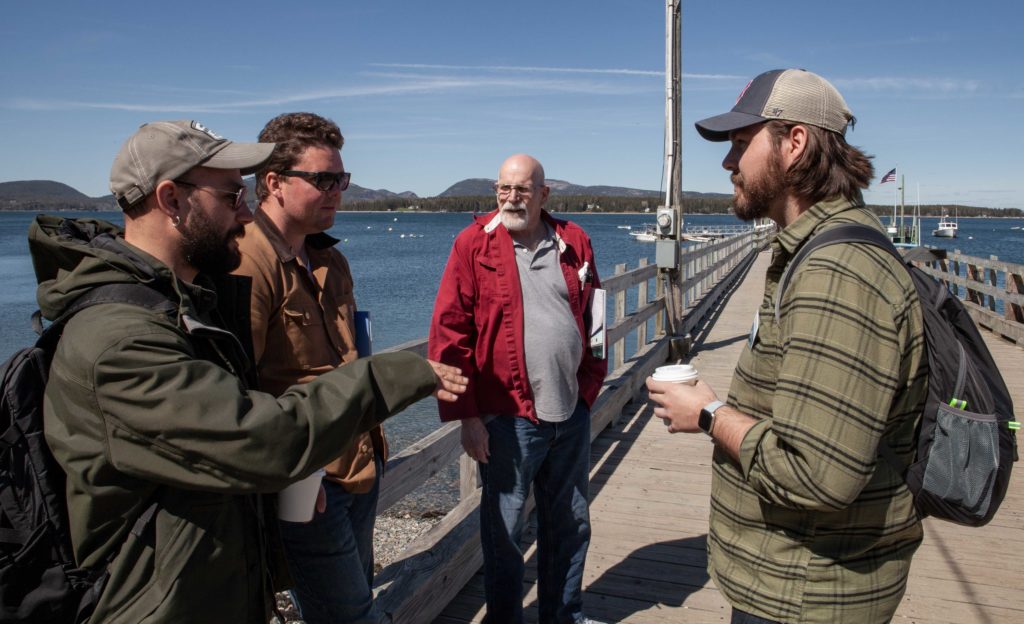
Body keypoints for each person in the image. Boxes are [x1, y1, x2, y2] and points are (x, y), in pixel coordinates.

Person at [29, 120, 467, 624]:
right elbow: (254, 431)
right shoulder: (125, 338)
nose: (244, 211)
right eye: (233, 193)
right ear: (171, 200)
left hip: (241, 544)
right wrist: (393, 376)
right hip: (182, 581)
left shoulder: (191, 298)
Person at [646, 69, 928, 623]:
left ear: (794, 143)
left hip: (809, 596)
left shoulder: (836, 273)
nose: (729, 164)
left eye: (741, 145)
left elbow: (816, 474)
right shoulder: (817, 252)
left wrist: (707, 412)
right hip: (798, 581)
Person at [428, 154, 607, 624]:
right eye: (504, 189)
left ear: (543, 194)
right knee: (505, 535)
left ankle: (563, 616)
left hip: (570, 414)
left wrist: (588, 391)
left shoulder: (574, 240)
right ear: (495, 190)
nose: (512, 198)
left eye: (523, 190)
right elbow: (449, 336)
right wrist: (467, 418)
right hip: (507, 420)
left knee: (569, 525)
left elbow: (597, 323)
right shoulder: (472, 244)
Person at [232, 111, 384, 623]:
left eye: (340, 178)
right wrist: (290, 478)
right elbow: (237, 389)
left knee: (354, 600)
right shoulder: (247, 265)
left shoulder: (328, 259)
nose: (337, 191)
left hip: (358, 463)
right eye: (322, 180)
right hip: (307, 483)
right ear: (273, 182)